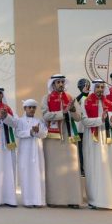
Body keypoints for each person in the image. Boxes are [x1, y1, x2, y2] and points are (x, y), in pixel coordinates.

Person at [78, 79, 112, 210]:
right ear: (93, 88)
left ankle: (109, 199)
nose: (100, 90)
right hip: (92, 139)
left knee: (108, 167)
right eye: (98, 87)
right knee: (93, 167)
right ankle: (94, 200)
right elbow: (84, 121)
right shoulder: (86, 102)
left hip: (107, 139)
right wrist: (100, 120)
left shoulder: (110, 104)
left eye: (102, 87)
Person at [40, 74, 82, 208]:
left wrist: (73, 110)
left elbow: (78, 117)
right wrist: (62, 113)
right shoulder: (46, 98)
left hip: (69, 135)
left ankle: (73, 200)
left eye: (62, 82)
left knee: (71, 168)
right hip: (52, 137)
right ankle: (54, 200)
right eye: (58, 82)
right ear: (53, 84)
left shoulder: (71, 98)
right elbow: (45, 115)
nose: (60, 84)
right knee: (54, 169)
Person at [15, 99, 48, 208]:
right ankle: (28, 201)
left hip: (37, 152)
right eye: (29, 107)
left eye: (34, 107)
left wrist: (38, 131)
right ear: (25, 108)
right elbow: (18, 133)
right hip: (25, 151)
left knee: (38, 174)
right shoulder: (20, 121)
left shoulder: (39, 121)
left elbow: (44, 134)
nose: (32, 109)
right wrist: (30, 132)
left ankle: (38, 201)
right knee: (26, 174)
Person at [75, 78, 90, 176]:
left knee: (89, 149)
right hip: (80, 128)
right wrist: (83, 94)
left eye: (86, 86)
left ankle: (89, 168)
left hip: (90, 127)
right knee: (80, 150)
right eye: (83, 86)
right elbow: (74, 102)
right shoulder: (80, 97)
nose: (85, 88)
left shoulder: (92, 97)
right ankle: (81, 169)